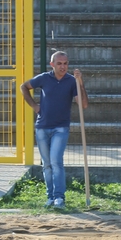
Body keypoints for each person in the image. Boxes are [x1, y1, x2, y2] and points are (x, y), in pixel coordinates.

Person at [20, 51, 89, 209]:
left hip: (61, 127)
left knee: (56, 162)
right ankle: (50, 197)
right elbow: (23, 87)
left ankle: (59, 197)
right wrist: (34, 106)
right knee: (47, 164)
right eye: (59, 63)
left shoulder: (72, 81)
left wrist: (81, 83)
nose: (63, 66)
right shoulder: (44, 78)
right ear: (52, 64)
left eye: (65, 63)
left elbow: (83, 105)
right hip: (42, 127)